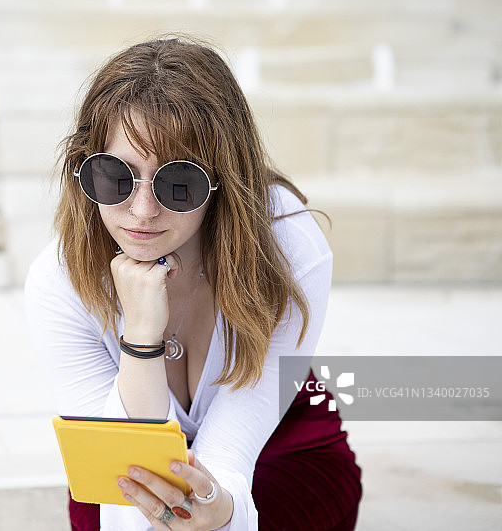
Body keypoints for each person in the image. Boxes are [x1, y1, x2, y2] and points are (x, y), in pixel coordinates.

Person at [24, 36, 362, 531]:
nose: (141, 212)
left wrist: (218, 514)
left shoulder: (288, 246)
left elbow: (230, 455)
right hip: (129, 445)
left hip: (280, 439)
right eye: (115, 177)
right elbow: (123, 475)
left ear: (223, 180)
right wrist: (140, 338)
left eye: (177, 183)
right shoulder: (60, 281)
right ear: (83, 168)